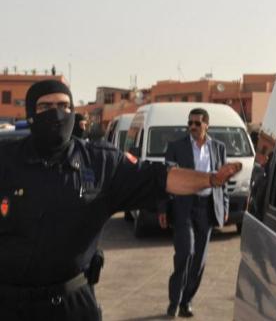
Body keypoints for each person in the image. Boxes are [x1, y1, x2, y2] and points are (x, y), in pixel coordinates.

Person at [0, 80, 240, 321]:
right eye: (45, 107)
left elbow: (160, 178)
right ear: (30, 114)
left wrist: (211, 179)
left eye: (64, 106)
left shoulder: (99, 163)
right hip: (9, 304)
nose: (57, 114)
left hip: (72, 304)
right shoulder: (6, 160)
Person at [158, 108, 229, 318]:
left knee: (199, 261)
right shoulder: (176, 147)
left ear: (207, 124)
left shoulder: (218, 148)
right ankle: (174, 301)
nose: (192, 127)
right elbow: (166, 178)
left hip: (207, 208)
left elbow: (223, 180)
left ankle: (186, 301)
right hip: (184, 207)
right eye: (190, 123)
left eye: (197, 123)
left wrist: (224, 206)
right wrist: (163, 207)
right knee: (185, 253)